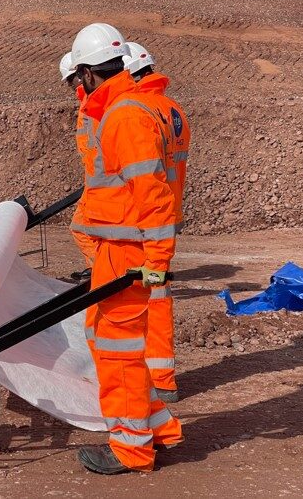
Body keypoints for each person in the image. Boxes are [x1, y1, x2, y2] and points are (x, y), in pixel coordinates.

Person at [68, 23, 183, 475]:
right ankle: (158, 429)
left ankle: (131, 447)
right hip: (120, 248)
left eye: (79, 78)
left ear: (88, 74)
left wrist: (155, 264)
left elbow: (151, 195)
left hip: (128, 251)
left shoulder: (126, 116)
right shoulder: (125, 109)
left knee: (118, 351)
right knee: (107, 340)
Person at [123, 42, 192, 403]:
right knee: (158, 293)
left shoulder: (139, 110)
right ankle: (162, 377)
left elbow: (143, 176)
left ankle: (154, 380)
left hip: (142, 221)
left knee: (141, 298)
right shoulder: (172, 108)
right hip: (166, 217)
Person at [59, 51, 96, 284]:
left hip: (101, 179)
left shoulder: (92, 102)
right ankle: (98, 269)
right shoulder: (87, 102)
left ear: (80, 75)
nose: (70, 87)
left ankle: (102, 272)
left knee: (82, 227)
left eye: (70, 81)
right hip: (95, 177)